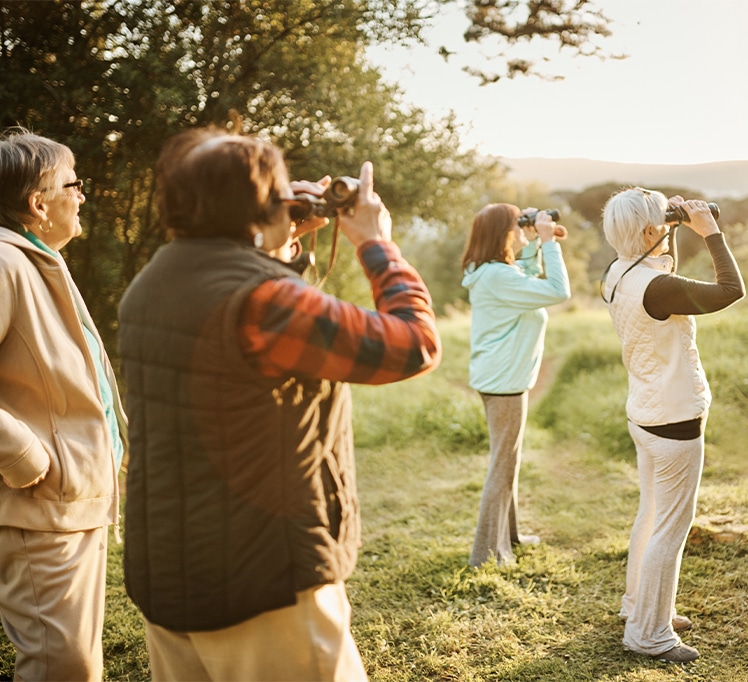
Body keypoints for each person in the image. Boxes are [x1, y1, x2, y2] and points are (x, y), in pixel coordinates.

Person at [117, 128, 441, 681]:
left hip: (171, 574)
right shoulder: (263, 301)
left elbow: (244, 344)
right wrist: (376, 244)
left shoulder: (154, 280)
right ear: (258, 203)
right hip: (265, 583)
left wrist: (276, 241)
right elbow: (414, 345)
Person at [0, 128, 128, 681]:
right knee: (62, 667)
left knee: (76, 663)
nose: (81, 195)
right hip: (39, 507)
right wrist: (23, 456)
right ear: (38, 203)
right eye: (73, 185)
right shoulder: (5, 264)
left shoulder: (39, 260)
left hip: (71, 503)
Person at [601, 188, 744, 664]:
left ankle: (638, 607)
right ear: (647, 231)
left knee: (651, 514)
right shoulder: (657, 289)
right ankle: (649, 634)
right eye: (661, 221)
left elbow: (664, 275)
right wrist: (711, 233)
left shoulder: (618, 274)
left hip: (645, 412)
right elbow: (730, 290)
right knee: (671, 526)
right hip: (675, 418)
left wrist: (674, 227)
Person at [461, 204, 570, 567]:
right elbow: (557, 290)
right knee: (502, 466)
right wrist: (546, 242)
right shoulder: (497, 277)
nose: (522, 231)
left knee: (509, 462)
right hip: (504, 383)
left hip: (499, 378)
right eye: (517, 226)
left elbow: (525, 270)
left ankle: (510, 537)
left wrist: (540, 241)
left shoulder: (493, 271)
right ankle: (486, 555)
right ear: (504, 233)